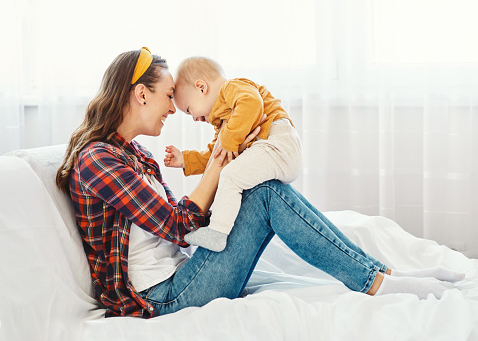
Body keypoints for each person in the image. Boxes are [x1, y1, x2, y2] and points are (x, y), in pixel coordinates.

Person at [56, 47, 464, 319]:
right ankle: (376, 281)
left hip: (183, 273)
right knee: (267, 192)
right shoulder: (99, 160)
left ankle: (381, 274)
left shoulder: (137, 155)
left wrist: (239, 155)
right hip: (163, 296)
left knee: (262, 185)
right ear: (140, 95)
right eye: (166, 96)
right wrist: (220, 161)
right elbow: (177, 226)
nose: (173, 109)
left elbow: (183, 229)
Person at [164, 57, 302, 252]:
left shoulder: (232, 88)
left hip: (279, 143)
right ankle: (221, 225)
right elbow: (218, 155)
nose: (194, 118)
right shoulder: (225, 121)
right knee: (232, 176)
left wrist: (229, 140)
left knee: (230, 176)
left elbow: (252, 102)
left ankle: (218, 232)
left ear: (202, 87)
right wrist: (186, 160)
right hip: (274, 151)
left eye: (189, 109)